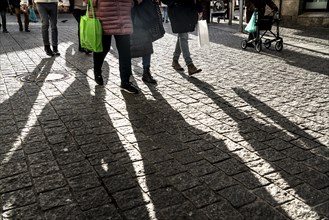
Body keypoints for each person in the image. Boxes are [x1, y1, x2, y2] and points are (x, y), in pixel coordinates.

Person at [92, 0, 139, 94]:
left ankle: (125, 82)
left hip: (123, 19)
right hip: (104, 18)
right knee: (103, 49)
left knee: (125, 52)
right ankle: (97, 71)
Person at [162, 0, 203, 76]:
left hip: (188, 10)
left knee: (182, 35)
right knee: (183, 35)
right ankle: (189, 64)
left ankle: (175, 60)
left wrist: (199, 8)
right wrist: (173, 2)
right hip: (176, 10)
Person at [130, 0, 165, 84]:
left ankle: (146, 71)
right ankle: (127, 71)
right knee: (130, 45)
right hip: (134, 16)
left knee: (147, 45)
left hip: (145, 16)